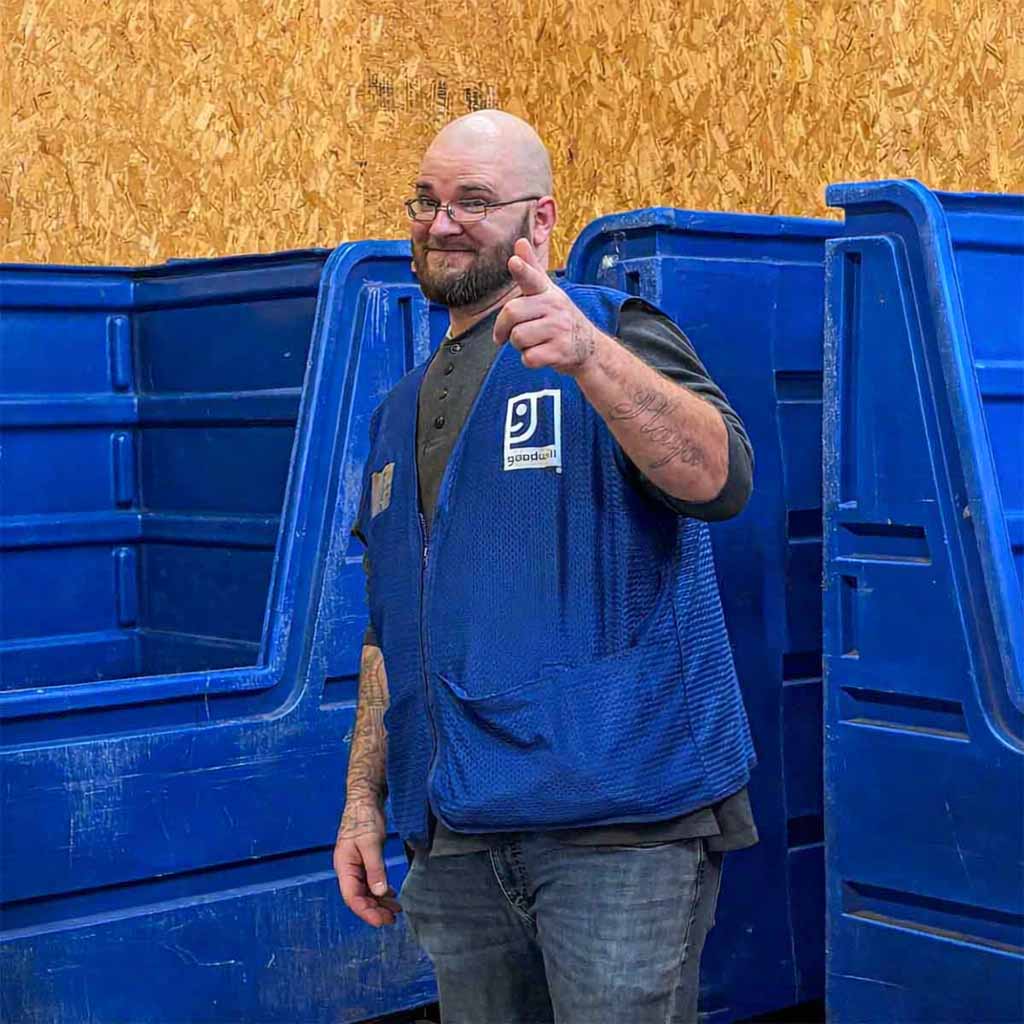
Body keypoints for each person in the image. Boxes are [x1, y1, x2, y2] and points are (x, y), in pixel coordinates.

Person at [333, 110, 758, 1024]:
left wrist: (591, 358)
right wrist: (363, 800)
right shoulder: (395, 411)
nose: (442, 222)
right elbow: (387, 629)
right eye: (427, 200)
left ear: (540, 222)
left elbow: (720, 478)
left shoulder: (616, 331)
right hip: (452, 838)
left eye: (474, 201)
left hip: (617, 839)